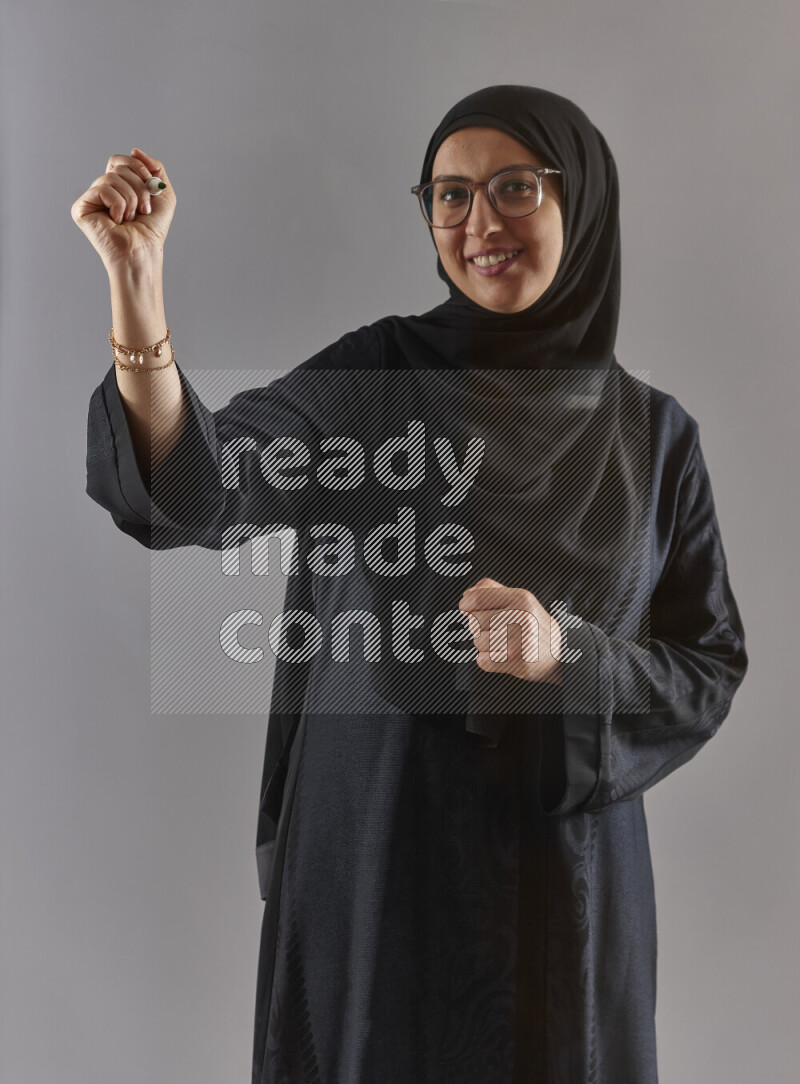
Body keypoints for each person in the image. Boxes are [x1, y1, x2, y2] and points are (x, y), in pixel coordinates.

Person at [74, 86, 748, 1083]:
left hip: (565, 898)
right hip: (378, 860)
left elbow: (706, 666)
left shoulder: (653, 439)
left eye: (514, 187)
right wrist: (139, 292)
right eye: (448, 195)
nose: (479, 222)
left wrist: (568, 650)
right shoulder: (373, 384)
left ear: (583, 202)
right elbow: (208, 487)